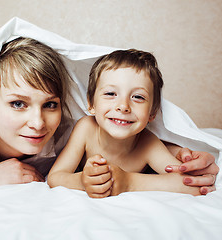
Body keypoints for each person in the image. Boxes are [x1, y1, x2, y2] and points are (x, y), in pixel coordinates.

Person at [0, 37, 218, 199]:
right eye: (17, 104)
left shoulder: (67, 132)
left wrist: (180, 152)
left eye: (50, 104)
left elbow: (135, 143)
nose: (39, 123)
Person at [47, 49, 217, 197]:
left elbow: (190, 184)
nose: (123, 106)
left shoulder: (147, 143)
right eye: (111, 93)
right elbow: (55, 177)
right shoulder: (86, 128)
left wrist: (129, 182)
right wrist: (82, 181)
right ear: (91, 104)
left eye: (138, 97)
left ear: (152, 113)